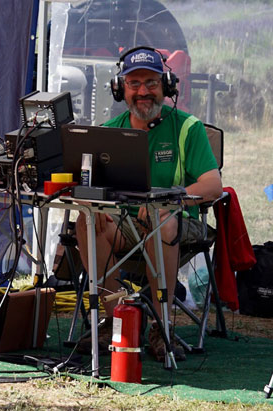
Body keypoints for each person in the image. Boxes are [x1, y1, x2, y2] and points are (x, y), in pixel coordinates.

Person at [75, 47, 223, 361]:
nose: (143, 91)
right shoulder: (109, 130)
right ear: (120, 89)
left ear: (166, 86)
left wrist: (168, 201)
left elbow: (212, 186)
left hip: (178, 223)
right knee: (87, 221)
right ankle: (116, 321)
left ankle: (161, 325)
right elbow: (88, 186)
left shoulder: (188, 128)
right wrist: (92, 207)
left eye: (151, 83)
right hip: (125, 227)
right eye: (134, 83)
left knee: (162, 219)